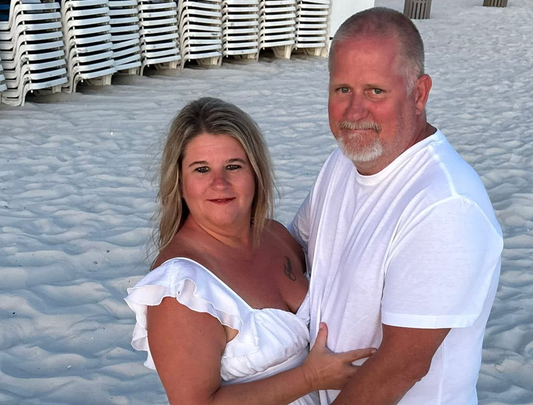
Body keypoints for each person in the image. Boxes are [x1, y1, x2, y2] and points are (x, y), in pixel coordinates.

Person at [288, 8, 504, 405]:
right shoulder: (342, 163)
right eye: (342, 90)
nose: (355, 112)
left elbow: (398, 369)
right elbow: (292, 249)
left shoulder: (445, 205)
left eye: (375, 91)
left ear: (419, 94)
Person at [124, 97, 374, 405]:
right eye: (201, 169)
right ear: (180, 182)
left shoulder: (276, 236)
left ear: (255, 172)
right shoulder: (180, 289)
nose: (219, 183)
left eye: (233, 166)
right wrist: (310, 378)